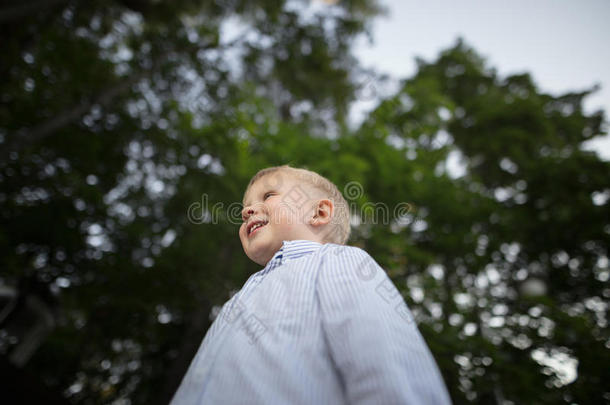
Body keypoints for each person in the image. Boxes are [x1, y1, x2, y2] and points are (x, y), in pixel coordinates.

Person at [171, 165, 452, 404]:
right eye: (245, 208)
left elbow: (384, 359)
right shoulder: (237, 299)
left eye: (268, 195)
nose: (246, 212)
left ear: (318, 213)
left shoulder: (337, 261)